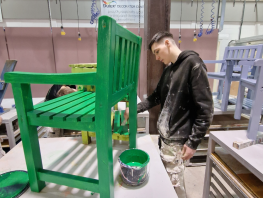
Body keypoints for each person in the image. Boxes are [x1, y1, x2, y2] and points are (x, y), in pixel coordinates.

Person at [125, 31, 213, 197]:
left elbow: (206, 109)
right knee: (169, 181)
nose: (156, 58)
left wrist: (193, 142)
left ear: (167, 43)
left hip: (179, 141)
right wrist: (134, 109)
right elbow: (155, 98)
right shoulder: (168, 71)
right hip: (166, 138)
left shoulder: (193, 64)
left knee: (175, 186)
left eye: (157, 51)